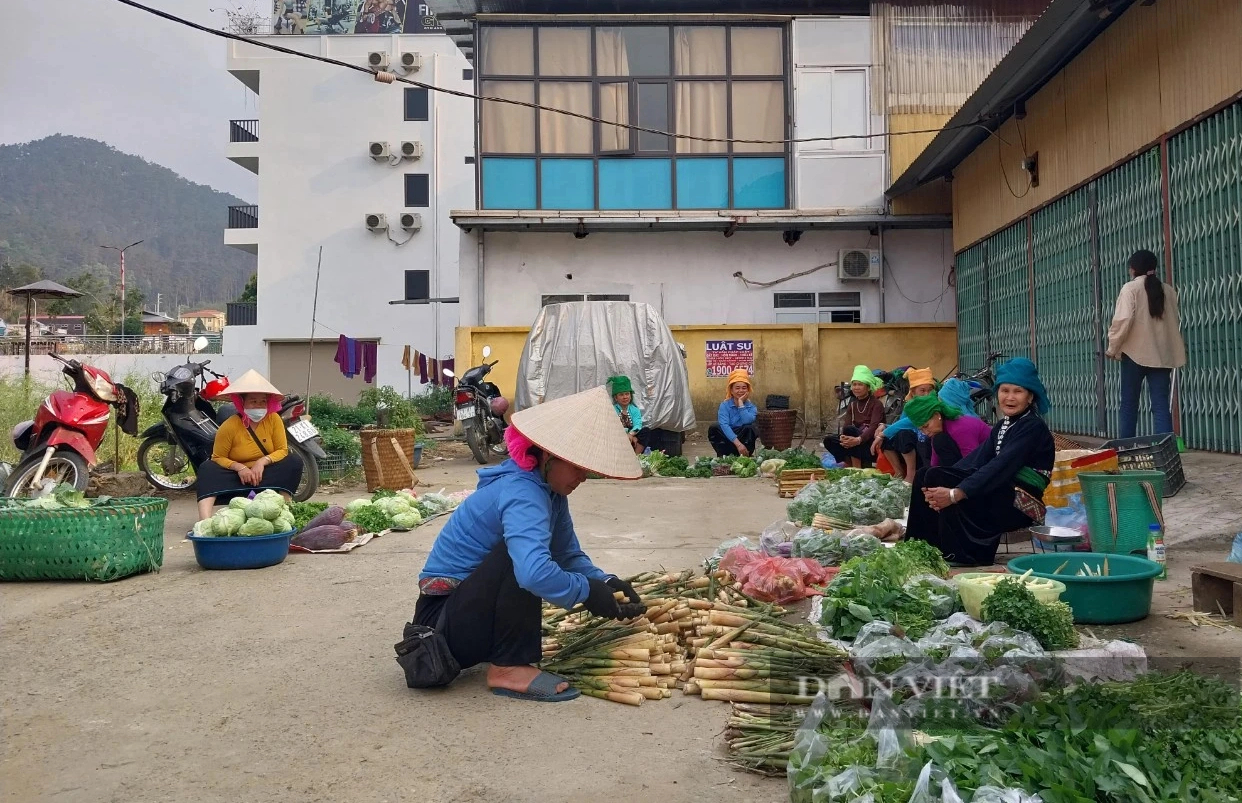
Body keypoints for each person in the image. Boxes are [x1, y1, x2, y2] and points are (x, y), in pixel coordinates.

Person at [410, 386, 645, 702]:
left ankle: (506, 656)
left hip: (466, 619)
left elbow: (566, 554)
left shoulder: (549, 492)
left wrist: (603, 581)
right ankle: (508, 667)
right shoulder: (523, 492)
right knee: (522, 558)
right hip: (440, 629)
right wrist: (586, 591)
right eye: (577, 466)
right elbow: (532, 574)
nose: (584, 477)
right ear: (548, 455)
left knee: (534, 555)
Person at [905, 358, 1055, 566]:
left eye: (1017, 392)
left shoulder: (1032, 427)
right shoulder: (1003, 425)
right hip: (1003, 489)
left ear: (1030, 397)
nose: (1010, 398)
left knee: (939, 477)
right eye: (1005, 391)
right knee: (926, 475)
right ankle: (922, 548)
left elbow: (1000, 466)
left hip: (1020, 502)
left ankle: (965, 554)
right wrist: (935, 491)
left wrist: (955, 493)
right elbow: (974, 460)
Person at [195, 370, 304, 521]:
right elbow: (218, 457)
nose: (259, 405)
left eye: (263, 401)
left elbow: (282, 450)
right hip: (238, 476)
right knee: (207, 469)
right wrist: (240, 468)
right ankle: (204, 521)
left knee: (293, 461)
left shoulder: (274, 420)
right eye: (253, 401)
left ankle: (286, 509)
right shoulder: (229, 426)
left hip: (265, 473)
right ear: (242, 402)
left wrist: (262, 462)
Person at [1106, 249, 1187, 438]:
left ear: (1133, 269)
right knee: (1160, 405)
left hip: (1135, 355)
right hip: (1161, 357)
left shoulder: (1130, 289)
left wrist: (1112, 348)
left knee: (1129, 404)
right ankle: (1166, 452)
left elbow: (1122, 321)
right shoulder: (1168, 290)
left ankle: (1126, 451)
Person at [871, 367, 936, 481]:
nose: (926, 394)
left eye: (929, 390)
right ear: (913, 392)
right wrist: (884, 427)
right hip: (913, 446)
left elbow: (912, 421)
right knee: (889, 436)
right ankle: (899, 472)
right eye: (922, 390)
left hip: (927, 444)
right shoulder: (910, 405)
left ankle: (911, 474)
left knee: (903, 434)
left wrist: (883, 433)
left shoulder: (934, 404)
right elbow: (902, 423)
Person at [903, 393, 992, 468]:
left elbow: (972, 463)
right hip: (972, 464)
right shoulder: (940, 428)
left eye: (926, 426)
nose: (925, 432)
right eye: (921, 429)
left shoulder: (959, 428)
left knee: (940, 441)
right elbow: (934, 462)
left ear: (937, 415)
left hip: (988, 465)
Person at [823, 365, 884, 468]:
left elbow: (874, 427)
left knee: (850, 430)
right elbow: (846, 424)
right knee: (829, 440)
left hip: (870, 443)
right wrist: (844, 438)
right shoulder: (852, 404)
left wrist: (858, 439)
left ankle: (857, 468)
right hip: (855, 442)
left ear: (868, 387)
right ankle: (849, 463)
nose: (856, 387)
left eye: (860, 384)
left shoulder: (876, 404)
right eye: (854, 384)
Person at [708, 369, 758, 457]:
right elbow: (724, 425)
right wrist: (738, 444)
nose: (740, 391)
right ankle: (723, 455)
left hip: (744, 442)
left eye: (744, 388)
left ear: (748, 390)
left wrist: (741, 404)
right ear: (731, 390)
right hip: (728, 440)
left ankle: (746, 455)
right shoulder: (724, 405)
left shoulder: (751, 407)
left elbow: (747, 421)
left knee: (750, 427)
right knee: (714, 427)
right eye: (737, 388)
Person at [609, 375, 646, 455]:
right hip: (618, 437)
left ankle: (636, 457)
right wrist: (626, 434)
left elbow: (638, 424)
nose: (625, 397)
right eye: (621, 395)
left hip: (631, 437)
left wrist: (631, 434)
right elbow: (612, 426)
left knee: (646, 431)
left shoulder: (634, 410)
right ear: (616, 398)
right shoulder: (612, 409)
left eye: (627, 394)